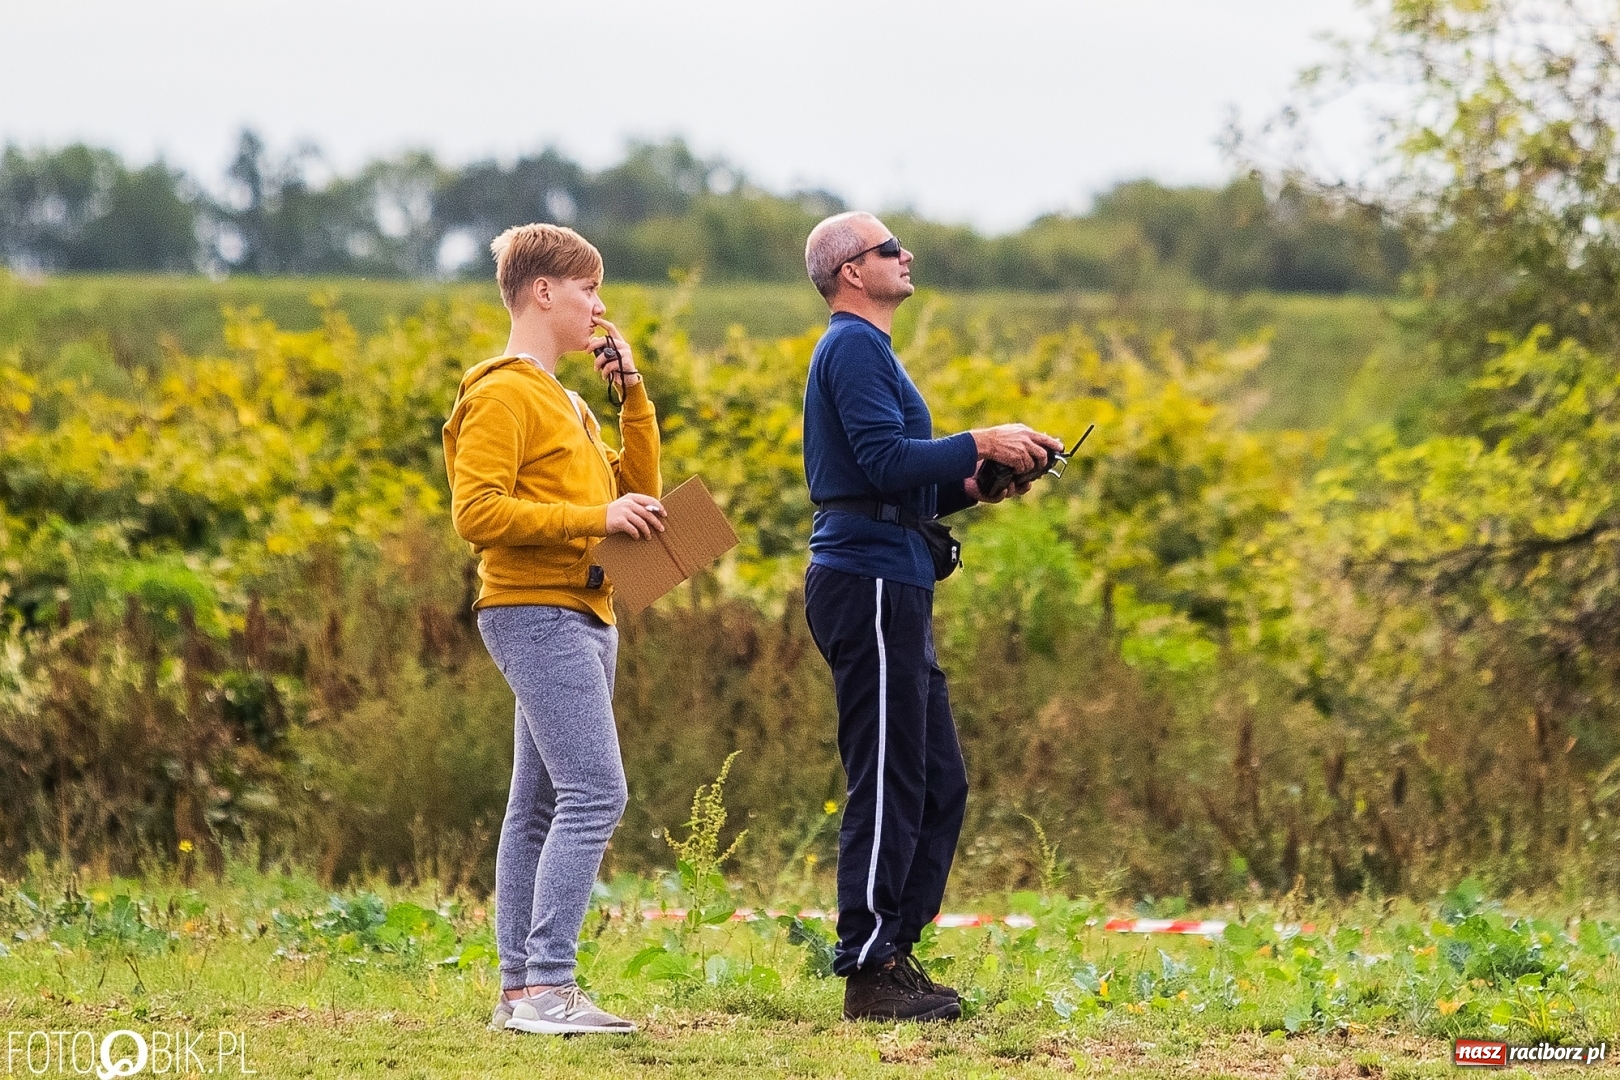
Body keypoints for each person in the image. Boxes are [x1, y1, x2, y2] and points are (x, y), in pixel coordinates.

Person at [801, 211, 1062, 1022]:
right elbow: (883, 463)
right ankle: (869, 967)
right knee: (888, 775)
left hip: (898, 578)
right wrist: (981, 437)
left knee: (938, 780)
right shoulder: (851, 346)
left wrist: (980, 482)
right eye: (889, 248)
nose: (905, 254)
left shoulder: (872, 350)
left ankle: (896, 953)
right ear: (852, 271)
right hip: (868, 580)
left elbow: (898, 482)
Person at [442, 223, 666, 1035]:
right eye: (587, 289)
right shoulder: (501, 391)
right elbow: (476, 513)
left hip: (589, 609)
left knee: (537, 806)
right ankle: (548, 985)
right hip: (534, 609)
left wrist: (632, 399)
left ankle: (519, 994)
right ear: (543, 291)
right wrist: (593, 517)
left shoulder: (569, 402)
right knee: (597, 792)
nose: (599, 306)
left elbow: (641, 501)